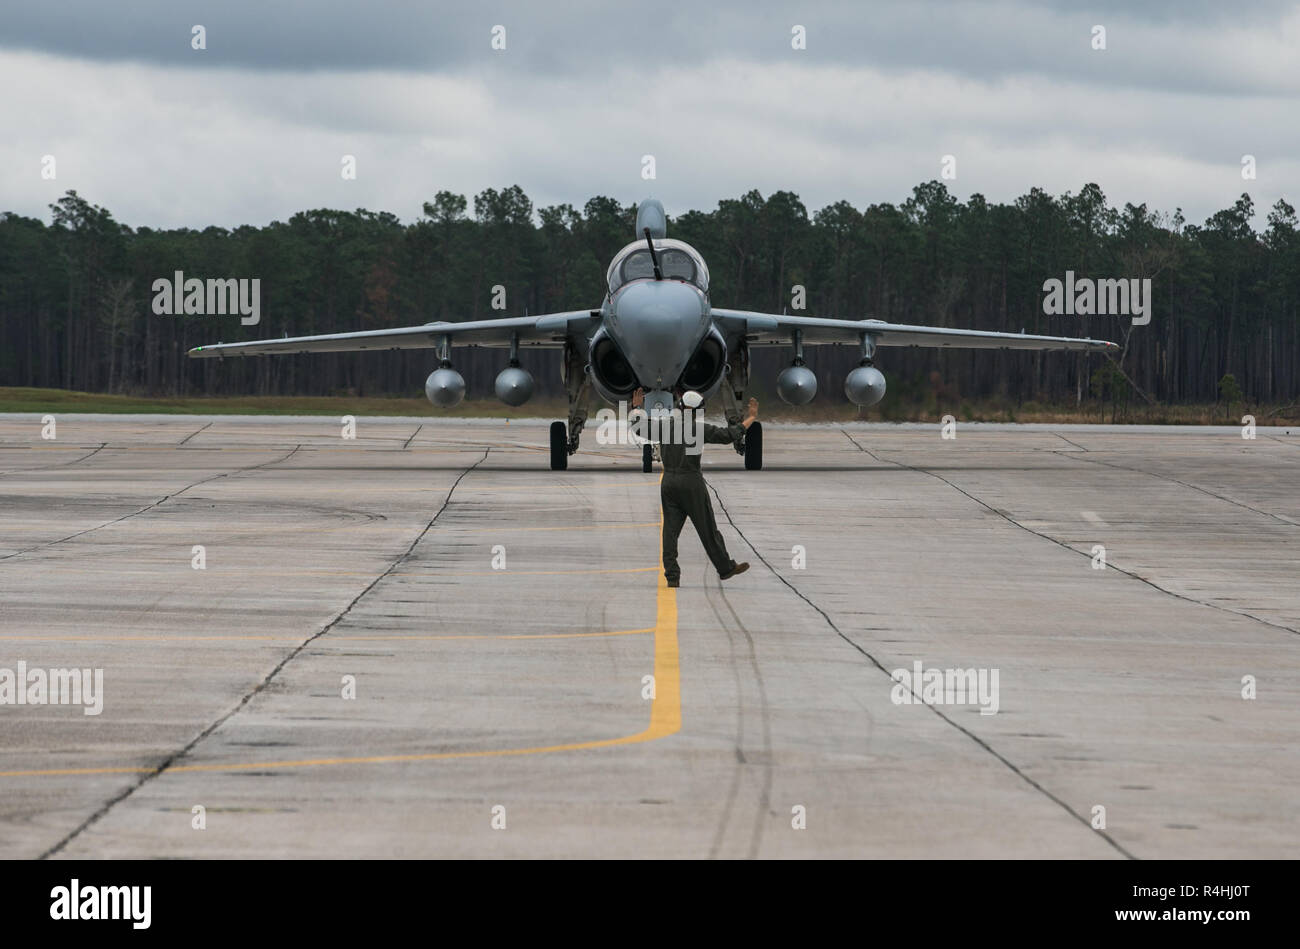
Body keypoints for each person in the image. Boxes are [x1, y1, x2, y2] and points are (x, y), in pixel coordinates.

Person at [632, 387, 758, 588]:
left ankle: (672, 576)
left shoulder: (665, 426)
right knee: (707, 529)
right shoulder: (700, 429)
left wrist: (637, 407)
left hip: (669, 482)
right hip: (691, 482)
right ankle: (725, 568)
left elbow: (639, 427)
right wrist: (750, 418)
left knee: (670, 532)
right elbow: (729, 435)